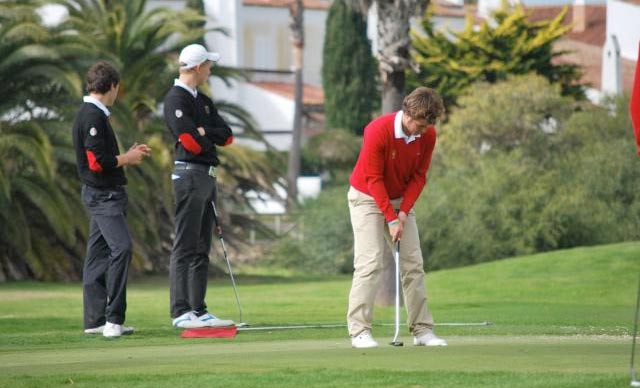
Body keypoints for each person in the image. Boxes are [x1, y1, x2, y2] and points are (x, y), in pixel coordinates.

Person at [346, 86, 448, 348]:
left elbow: (419, 176)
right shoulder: (377, 130)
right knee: (370, 263)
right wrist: (391, 218)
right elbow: (374, 179)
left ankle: (422, 330)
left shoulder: (428, 135)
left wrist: (402, 213)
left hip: (400, 201)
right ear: (409, 114)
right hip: (366, 197)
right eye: (421, 125)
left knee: (413, 264)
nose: (424, 131)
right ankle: (359, 331)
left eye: (428, 126)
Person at [72, 61, 151, 338]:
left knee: (97, 256)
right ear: (113, 86)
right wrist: (127, 159)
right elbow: (96, 163)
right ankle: (113, 320)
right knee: (122, 248)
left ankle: (94, 321)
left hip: (100, 194)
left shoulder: (92, 113)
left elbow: (101, 159)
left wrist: (125, 156)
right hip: (104, 196)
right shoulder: (92, 116)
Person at [163, 44, 235, 329]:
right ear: (195, 67)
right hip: (189, 176)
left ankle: (198, 309)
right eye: (207, 65)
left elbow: (227, 136)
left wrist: (203, 131)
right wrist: (206, 136)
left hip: (206, 175)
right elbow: (189, 142)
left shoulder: (203, 101)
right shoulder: (175, 99)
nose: (210, 69)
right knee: (185, 243)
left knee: (202, 245)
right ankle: (181, 311)